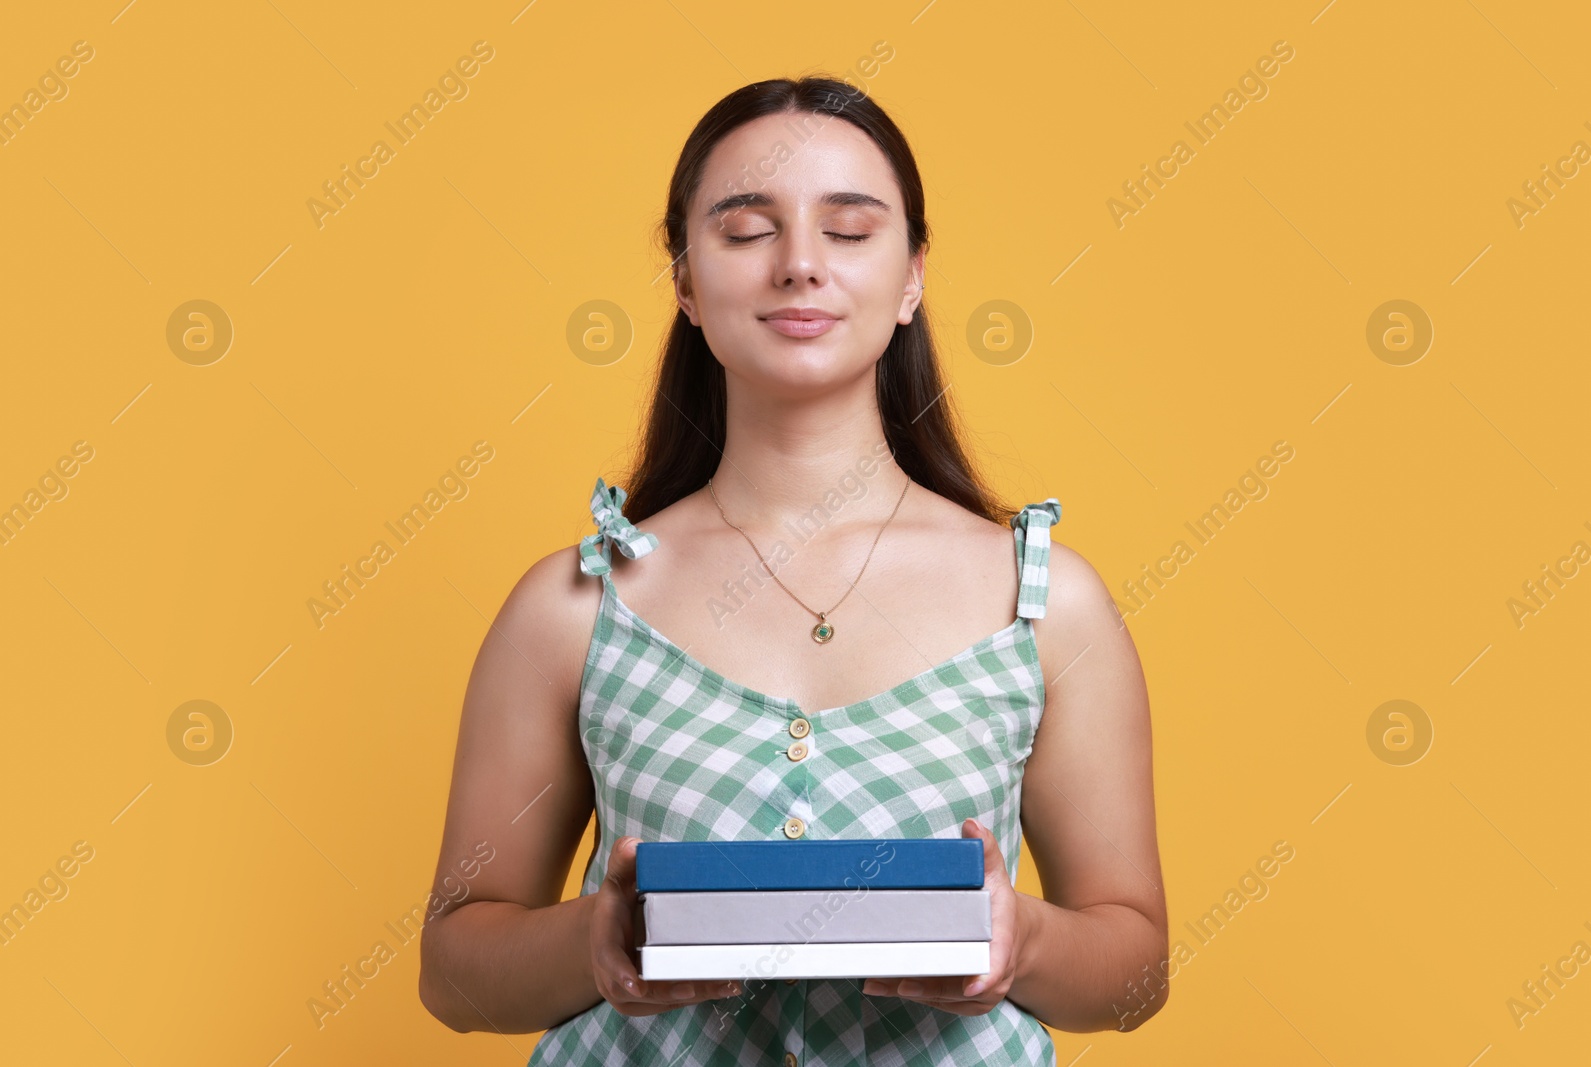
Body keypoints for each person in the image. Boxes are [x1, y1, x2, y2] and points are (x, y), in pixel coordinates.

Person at [418, 75, 1167, 1064]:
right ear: (684, 277)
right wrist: (590, 941)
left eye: (849, 230)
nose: (800, 264)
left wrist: (1020, 936)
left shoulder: (1043, 603)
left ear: (911, 277)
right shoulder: (574, 605)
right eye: (745, 230)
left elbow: (1137, 974)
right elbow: (452, 970)